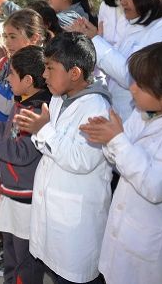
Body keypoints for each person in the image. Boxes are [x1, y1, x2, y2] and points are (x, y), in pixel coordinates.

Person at [79, 39, 162, 283]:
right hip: (124, 237)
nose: (132, 88)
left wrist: (116, 139)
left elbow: (155, 186)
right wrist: (108, 137)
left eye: (141, 84)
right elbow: (119, 160)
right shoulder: (145, 113)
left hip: (151, 246)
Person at [14, 32, 112, 284]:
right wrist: (42, 131)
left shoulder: (96, 108)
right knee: (58, 272)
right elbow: (50, 144)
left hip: (76, 222)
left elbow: (82, 159)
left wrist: (43, 130)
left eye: (50, 68)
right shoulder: (58, 99)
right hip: (56, 211)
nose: (44, 74)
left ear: (75, 73)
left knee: (75, 276)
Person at [0, 45, 52, 283]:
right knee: (13, 259)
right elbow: (8, 131)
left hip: (26, 198)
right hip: (12, 193)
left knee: (26, 264)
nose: (7, 78)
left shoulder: (36, 111)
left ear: (27, 80)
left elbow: (21, 153)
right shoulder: (21, 103)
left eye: (11, 74)